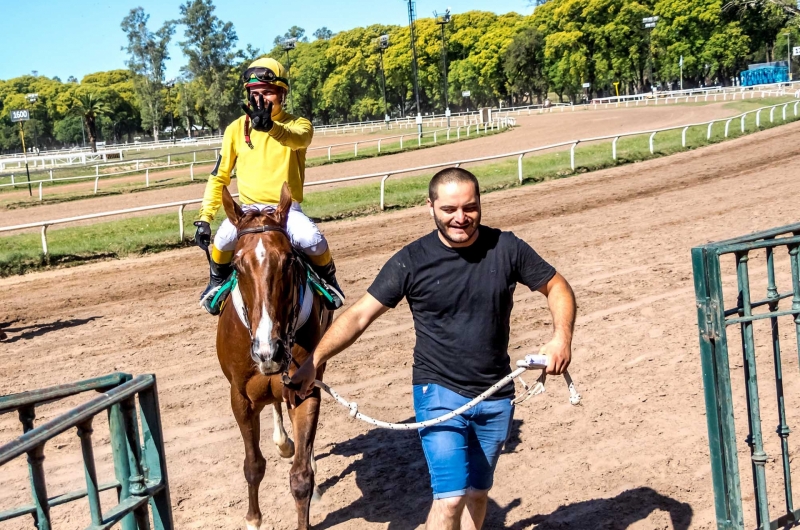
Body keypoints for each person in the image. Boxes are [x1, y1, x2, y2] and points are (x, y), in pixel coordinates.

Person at [285, 167, 577, 529]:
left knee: (476, 493)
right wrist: (315, 360)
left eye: (469, 207)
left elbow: (557, 286)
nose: (461, 218)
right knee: (451, 497)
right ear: (431, 207)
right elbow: (359, 315)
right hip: (437, 390)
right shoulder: (412, 260)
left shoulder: (507, 247)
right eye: (449, 209)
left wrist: (561, 337)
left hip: (496, 391)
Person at [193, 57, 344, 315]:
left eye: (267, 92)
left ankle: (328, 281)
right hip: (248, 213)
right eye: (254, 93)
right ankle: (216, 283)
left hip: (284, 211)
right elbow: (219, 176)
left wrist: (271, 127)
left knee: (312, 239)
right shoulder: (235, 129)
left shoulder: (298, 124)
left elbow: (298, 140)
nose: (260, 99)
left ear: (282, 94)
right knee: (222, 240)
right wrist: (205, 217)